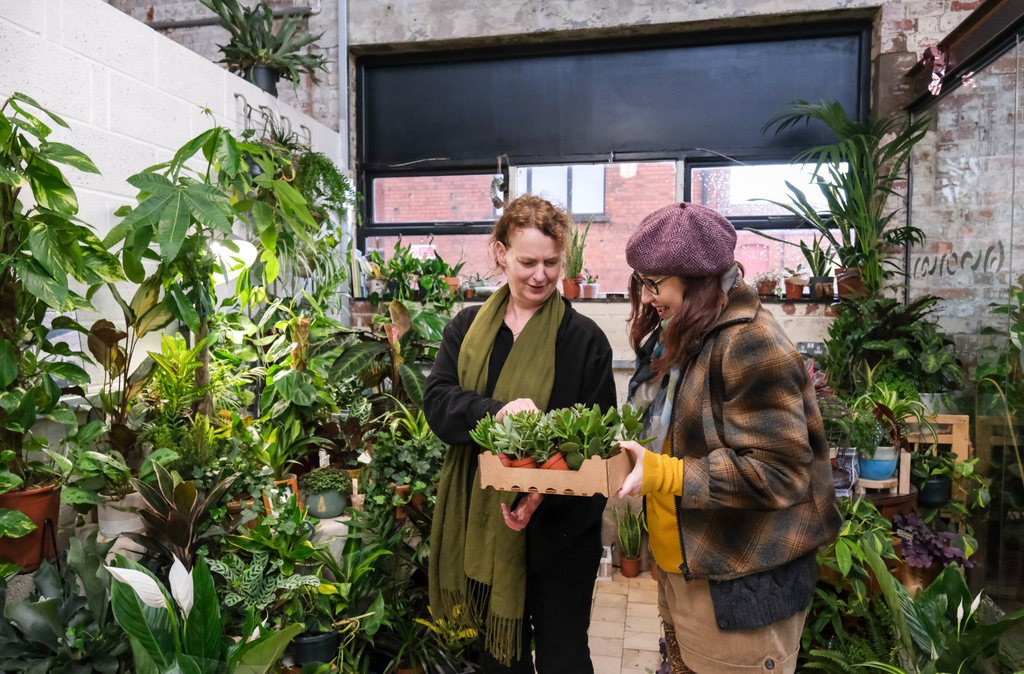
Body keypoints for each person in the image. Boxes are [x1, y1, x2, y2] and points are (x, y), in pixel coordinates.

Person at [614, 203, 841, 674]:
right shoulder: (683, 333)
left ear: (695, 279)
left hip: (740, 578)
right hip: (688, 567)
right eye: (642, 281)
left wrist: (666, 472)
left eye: (655, 283)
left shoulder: (749, 342)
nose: (648, 295)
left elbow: (781, 473)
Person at [424, 194, 616, 674]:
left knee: (564, 657)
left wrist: (541, 494)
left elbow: (600, 448)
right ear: (500, 253)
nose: (541, 275)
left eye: (552, 262)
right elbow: (439, 404)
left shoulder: (584, 340)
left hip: (562, 534)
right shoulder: (467, 331)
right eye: (527, 261)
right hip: (485, 524)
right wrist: (498, 412)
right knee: (498, 660)